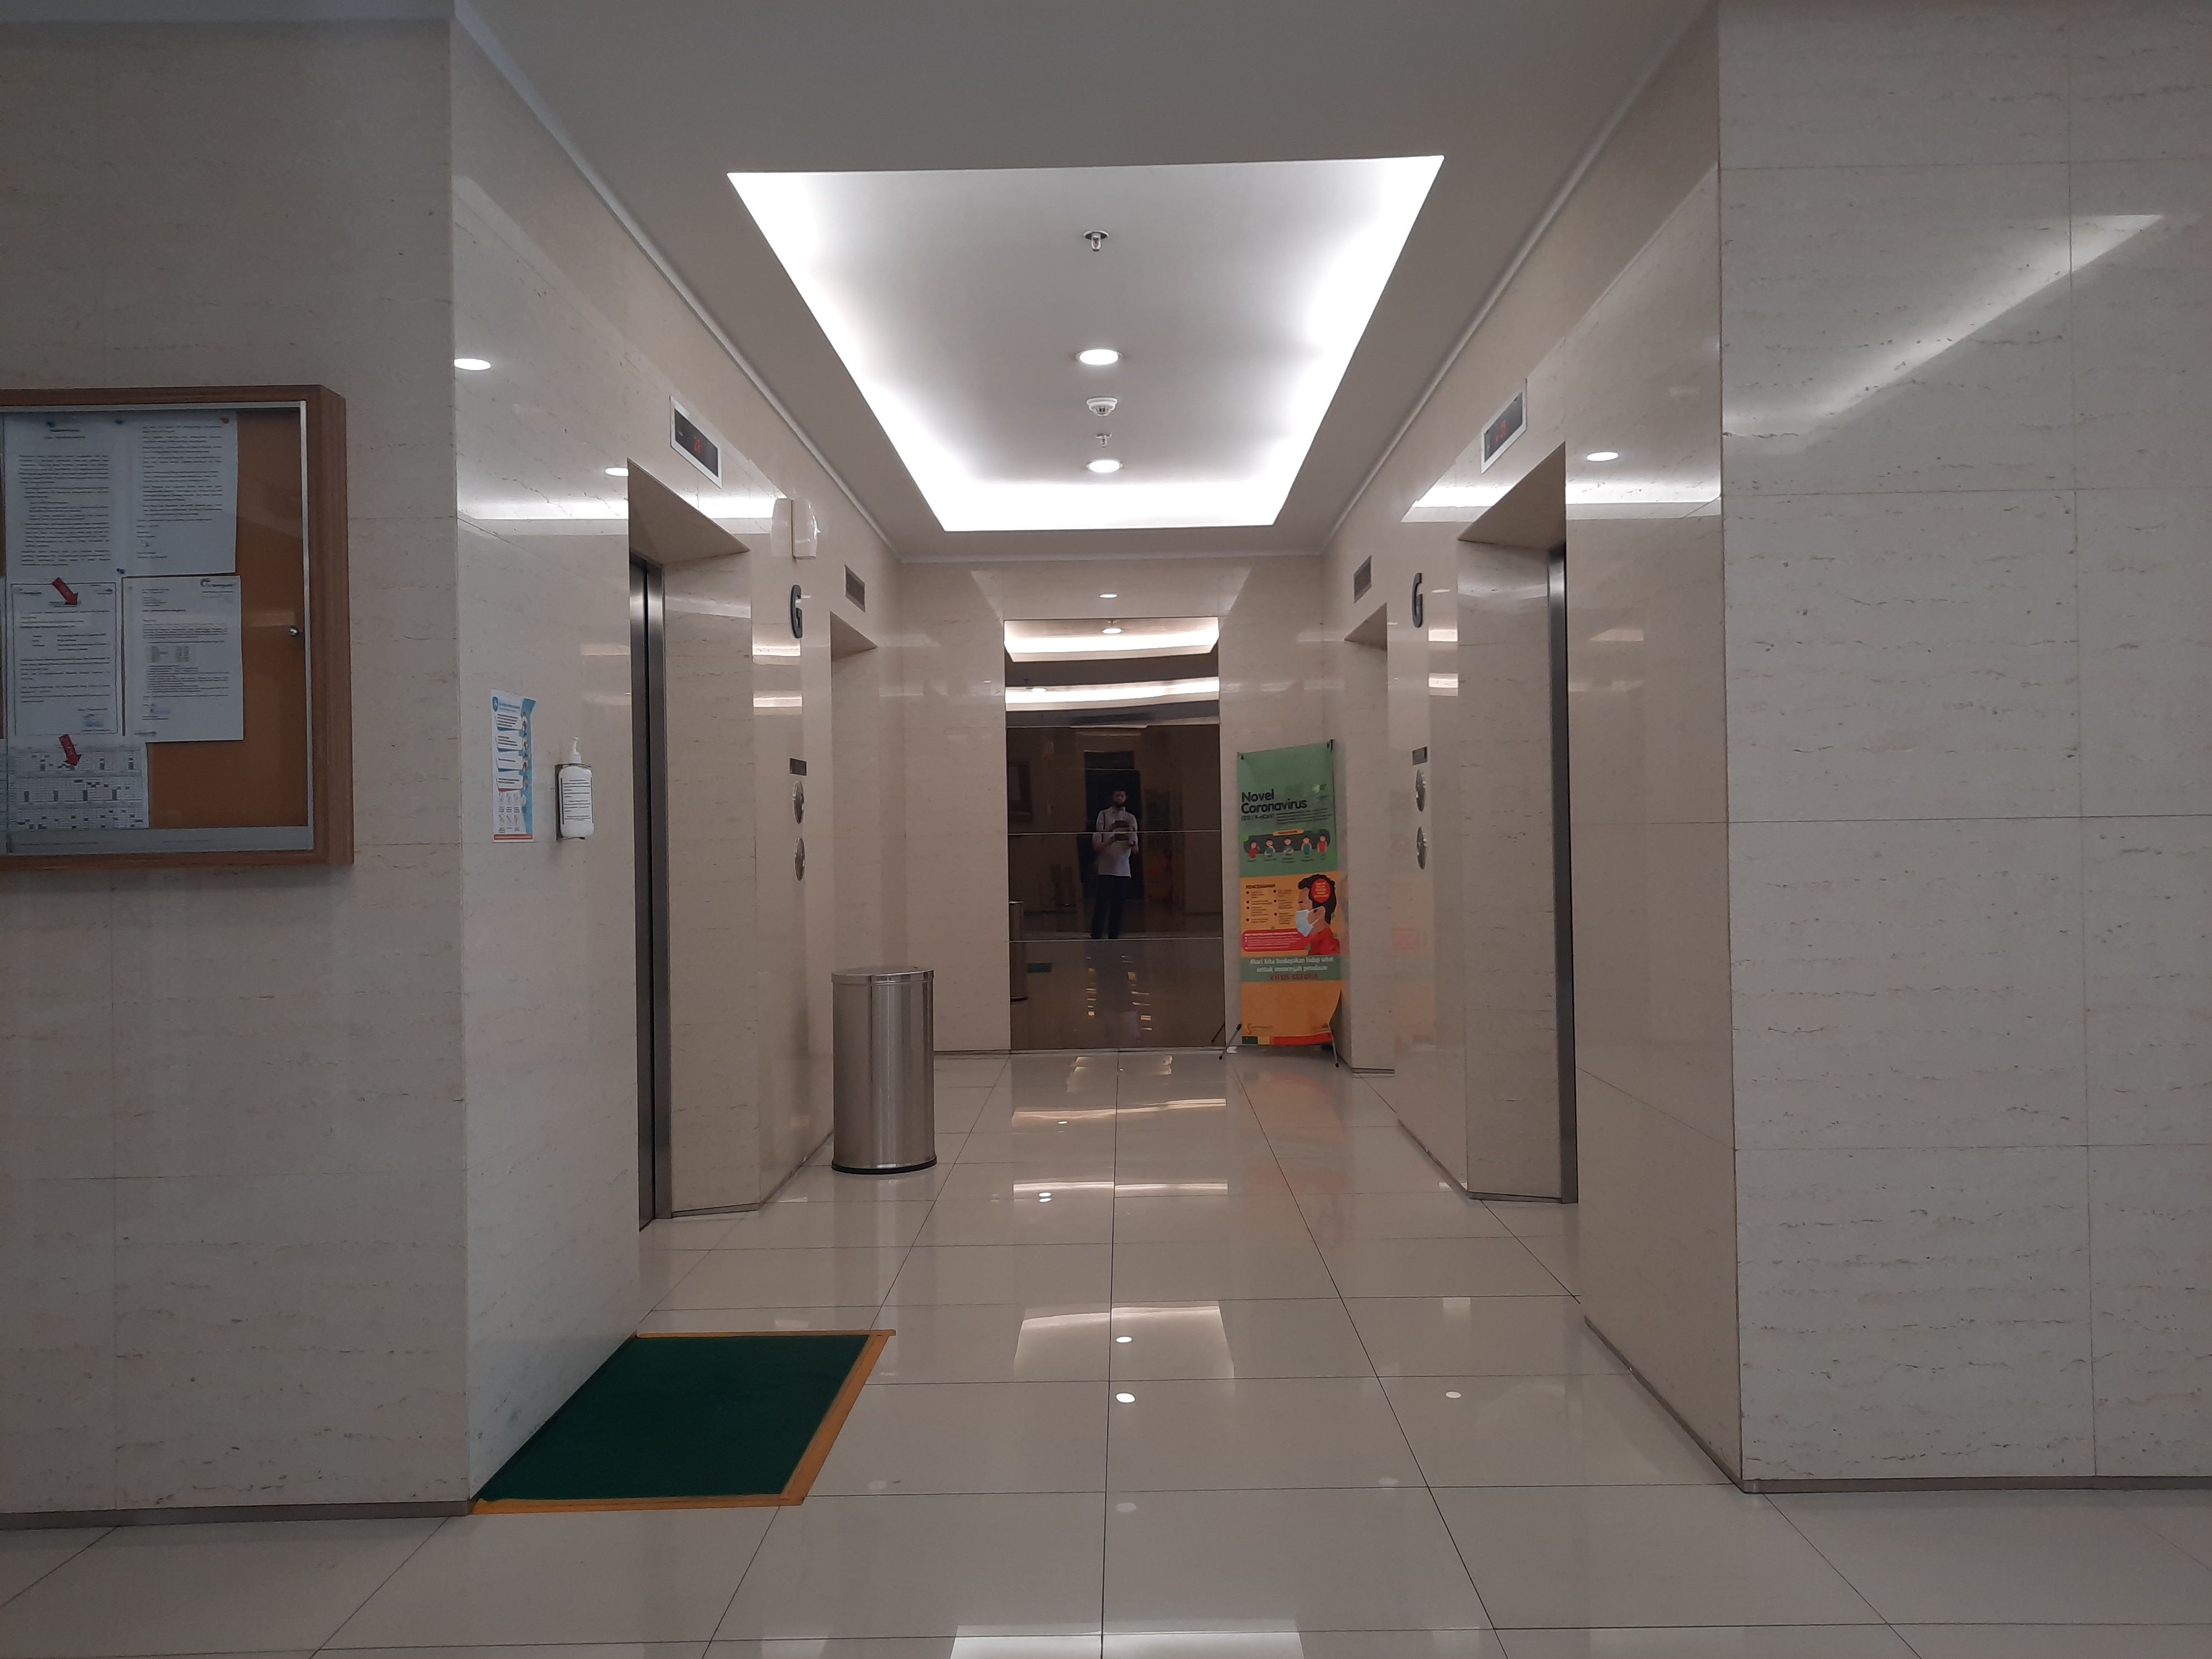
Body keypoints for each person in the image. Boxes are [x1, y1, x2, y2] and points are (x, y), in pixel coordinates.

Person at [1090, 788, 1139, 939]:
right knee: (1102, 903)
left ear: (1126, 797)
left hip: (1123, 870)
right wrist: (1112, 835)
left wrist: (1130, 836)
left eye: (1122, 795)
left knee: (1119, 905)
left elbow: (1136, 849)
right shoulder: (1104, 815)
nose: (1119, 798)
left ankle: (1115, 933)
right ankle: (1097, 933)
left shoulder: (1130, 817)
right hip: (1106, 869)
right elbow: (1098, 844)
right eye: (1117, 795)